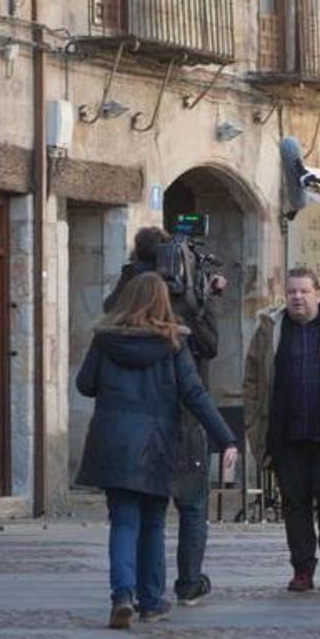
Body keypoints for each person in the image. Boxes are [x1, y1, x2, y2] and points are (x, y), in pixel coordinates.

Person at [76, 273, 237, 628]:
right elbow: (194, 394)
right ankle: (150, 601)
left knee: (123, 521)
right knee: (152, 523)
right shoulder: (173, 343)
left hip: (114, 442)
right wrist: (226, 438)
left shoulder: (105, 339)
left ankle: (122, 595)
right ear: (163, 303)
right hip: (157, 445)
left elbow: (84, 384)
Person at [104, 226, 226, 607]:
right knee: (189, 506)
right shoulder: (187, 296)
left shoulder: (126, 297)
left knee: (134, 515)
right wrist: (205, 300)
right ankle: (184, 583)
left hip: (128, 428)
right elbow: (210, 346)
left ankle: (131, 592)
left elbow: (89, 373)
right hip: (182, 416)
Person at [243, 267, 320, 591]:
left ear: (318, 294)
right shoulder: (270, 328)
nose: (297, 298)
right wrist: (254, 420)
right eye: (291, 292)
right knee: (294, 501)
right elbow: (252, 378)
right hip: (286, 431)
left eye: (304, 291)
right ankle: (302, 567)